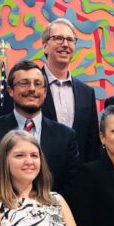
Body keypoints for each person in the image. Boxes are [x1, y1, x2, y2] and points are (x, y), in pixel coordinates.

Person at [0, 59, 81, 207]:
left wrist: (43, 214)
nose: (32, 89)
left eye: (38, 84)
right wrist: (14, 214)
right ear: (10, 90)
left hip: (52, 219)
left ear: (45, 91)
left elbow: (72, 186)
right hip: (2, 220)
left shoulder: (66, 136)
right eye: (24, 83)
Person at [40, 18, 101, 162]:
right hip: (38, 176)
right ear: (45, 46)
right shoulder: (29, 87)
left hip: (77, 178)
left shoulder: (87, 93)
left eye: (70, 40)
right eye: (59, 38)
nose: (65, 44)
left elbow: (91, 143)